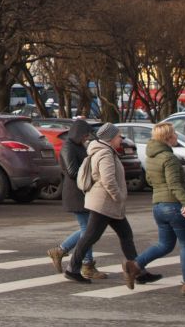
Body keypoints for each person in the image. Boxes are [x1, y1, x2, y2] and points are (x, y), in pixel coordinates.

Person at [64, 123, 142, 288]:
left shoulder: (103, 150)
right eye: (119, 136)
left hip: (107, 203)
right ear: (111, 138)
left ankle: (138, 271)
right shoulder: (105, 153)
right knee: (90, 237)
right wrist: (119, 196)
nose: (121, 138)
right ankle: (73, 268)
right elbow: (108, 180)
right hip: (105, 203)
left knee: (125, 235)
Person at [136, 122, 185, 297]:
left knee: (165, 245)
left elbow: (150, 180)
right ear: (167, 138)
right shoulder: (169, 158)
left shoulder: (151, 157)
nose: (177, 137)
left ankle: (135, 265)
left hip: (158, 206)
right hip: (174, 206)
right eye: (174, 134)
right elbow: (175, 184)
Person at [46, 119, 106, 280]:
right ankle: (86, 265)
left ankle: (62, 251)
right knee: (88, 230)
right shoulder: (68, 147)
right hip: (75, 194)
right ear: (77, 134)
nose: (86, 138)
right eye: (85, 135)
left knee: (87, 229)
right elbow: (72, 172)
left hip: (82, 192)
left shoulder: (77, 146)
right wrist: (91, 173)